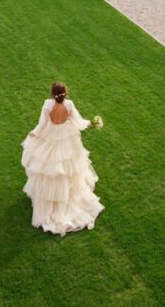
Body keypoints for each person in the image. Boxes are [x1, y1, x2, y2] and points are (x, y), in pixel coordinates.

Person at [21, 82, 104, 236]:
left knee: (49, 169)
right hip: (67, 137)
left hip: (51, 135)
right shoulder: (69, 104)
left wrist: (34, 133)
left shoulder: (47, 104)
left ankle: (50, 197)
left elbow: (42, 124)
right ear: (65, 93)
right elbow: (77, 121)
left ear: (52, 93)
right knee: (67, 169)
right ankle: (65, 194)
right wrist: (90, 123)